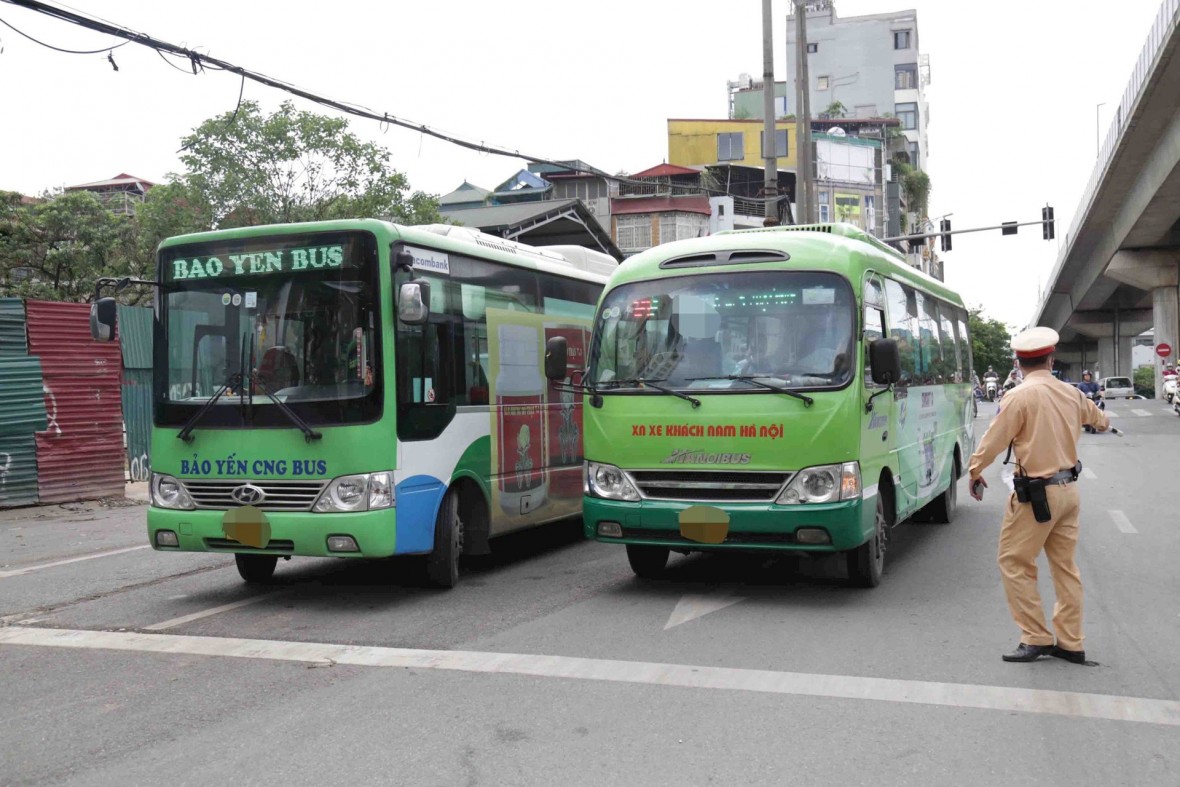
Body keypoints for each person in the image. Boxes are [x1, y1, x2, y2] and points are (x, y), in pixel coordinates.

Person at [967, 327, 1109, 665]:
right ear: (1051, 358)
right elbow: (1100, 421)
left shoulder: (1018, 396)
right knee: (1065, 568)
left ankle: (1036, 637)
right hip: (1069, 491)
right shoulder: (1072, 393)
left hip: (1036, 496)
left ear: (1018, 362)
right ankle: (1071, 642)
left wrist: (975, 470)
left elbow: (994, 440)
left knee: (1014, 562)